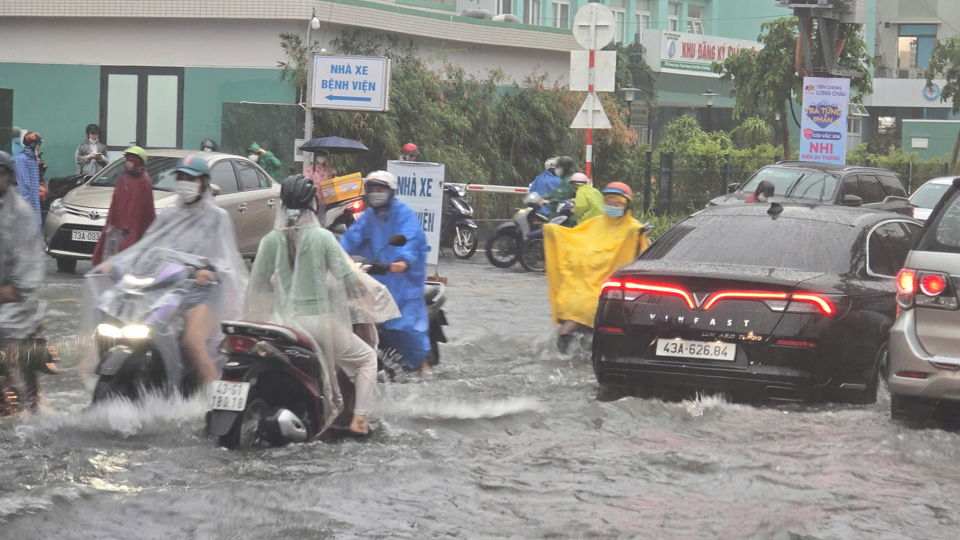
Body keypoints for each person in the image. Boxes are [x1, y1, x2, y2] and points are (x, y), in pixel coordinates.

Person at [247, 175, 391, 436]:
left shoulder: (270, 240)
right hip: (316, 324)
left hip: (279, 325)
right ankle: (359, 419)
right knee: (367, 360)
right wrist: (368, 293)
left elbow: (258, 285)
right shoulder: (323, 238)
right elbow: (350, 280)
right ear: (312, 204)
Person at [87, 154, 248, 385]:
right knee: (112, 311)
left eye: (190, 179)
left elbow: (225, 257)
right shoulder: (169, 215)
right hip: (168, 287)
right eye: (180, 177)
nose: (185, 183)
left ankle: (217, 399)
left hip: (202, 293)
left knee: (192, 342)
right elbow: (147, 248)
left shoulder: (217, 217)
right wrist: (120, 264)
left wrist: (208, 270)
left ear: (203, 183)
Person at [340, 171, 432, 375]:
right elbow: (351, 238)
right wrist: (333, 253)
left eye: (380, 189)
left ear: (390, 192)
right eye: (372, 189)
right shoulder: (369, 217)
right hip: (376, 277)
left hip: (403, 279)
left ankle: (421, 364)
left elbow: (410, 237)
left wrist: (402, 260)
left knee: (406, 326)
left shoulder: (403, 213)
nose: (376, 193)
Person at [544, 182, 649, 353]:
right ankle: (561, 350)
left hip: (611, 285)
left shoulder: (633, 228)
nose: (612, 207)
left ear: (626, 206)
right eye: (609, 203)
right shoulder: (594, 223)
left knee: (594, 313)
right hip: (586, 282)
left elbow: (640, 255)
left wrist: (638, 234)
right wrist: (553, 231)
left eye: (617, 204)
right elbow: (575, 238)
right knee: (577, 310)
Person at [90, 146, 157, 266]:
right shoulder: (123, 178)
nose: (128, 164)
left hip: (135, 228)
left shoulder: (144, 181)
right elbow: (116, 201)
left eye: (132, 161)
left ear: (139, 163)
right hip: (119, 227)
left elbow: (143, 209)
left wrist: (133, 228)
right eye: (127, 161)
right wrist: (112, 222)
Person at [12, 132, 42, 228]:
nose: (39, 147)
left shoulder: (33, 159)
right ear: (32, 145)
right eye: (38, 144)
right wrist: (26, 205)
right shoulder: (21, 159)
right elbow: (22, 185)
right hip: (27, 202)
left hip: (34, 200)